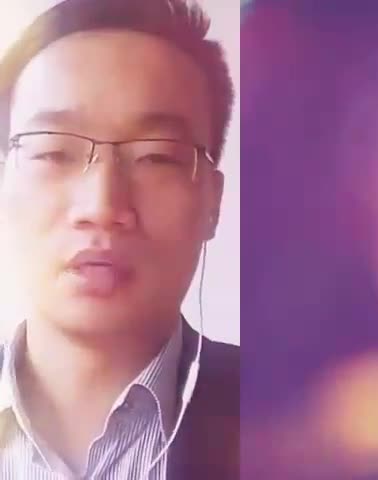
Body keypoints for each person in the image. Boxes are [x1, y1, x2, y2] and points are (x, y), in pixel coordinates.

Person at [0, 0, 239, 479]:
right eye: (53, 151)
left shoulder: (298, 427)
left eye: (156, 157)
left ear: (212, 201)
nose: (102, 206)